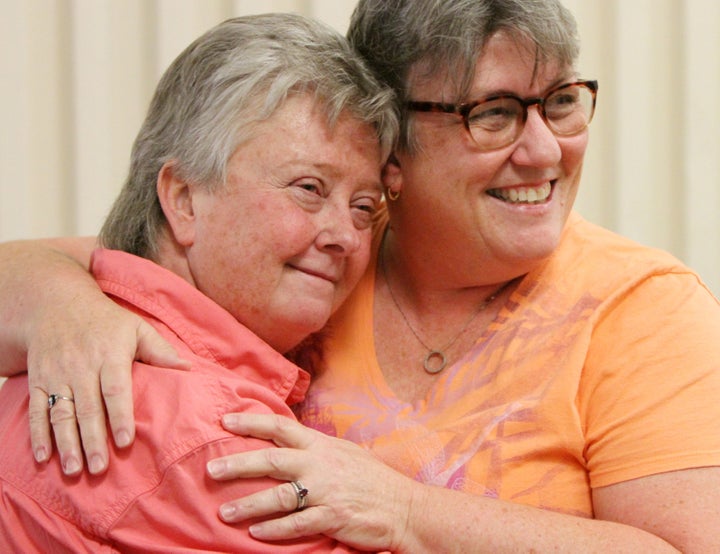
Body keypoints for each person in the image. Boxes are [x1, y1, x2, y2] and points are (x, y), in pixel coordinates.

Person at [1, 0, 720, 551]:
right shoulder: (314, 268)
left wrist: (406, 510)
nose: (543, 149)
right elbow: (121, 260)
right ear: (396, 149)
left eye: (561, 101)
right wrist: (66, 312)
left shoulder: (644, 310)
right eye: (492, 114)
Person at [0, 12, 398, 553]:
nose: (346, 238)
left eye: (363, 207)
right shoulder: (216, 439)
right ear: (183, 199)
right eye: (309, 187)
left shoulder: (62, 341)